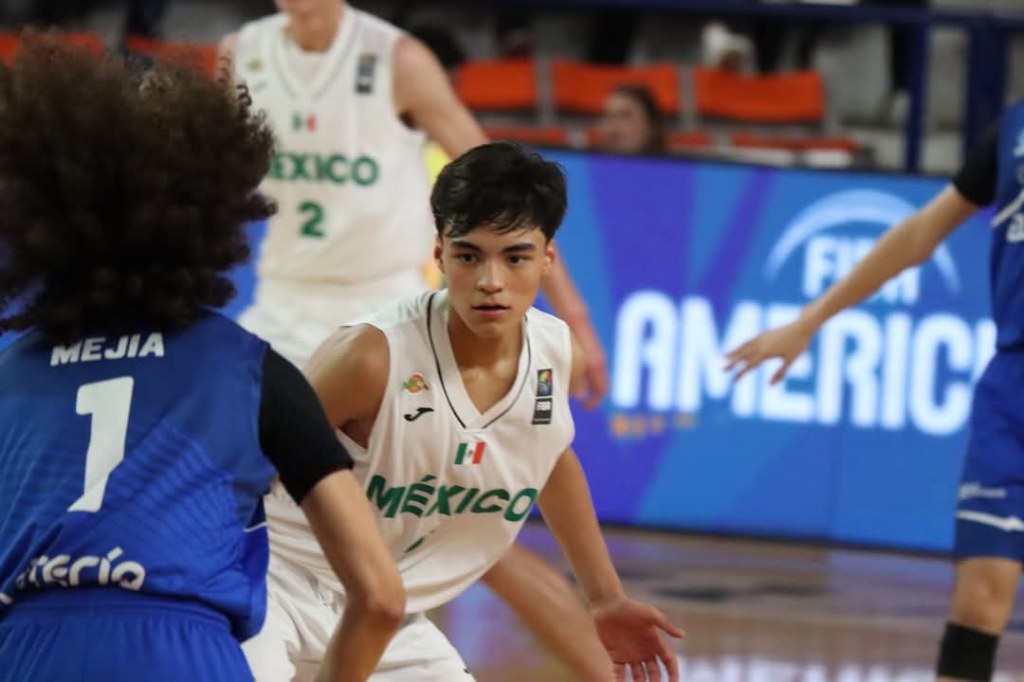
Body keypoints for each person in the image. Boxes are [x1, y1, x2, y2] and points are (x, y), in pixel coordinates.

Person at [221, 2, 615, 678]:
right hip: (280, 306)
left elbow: (491, 183)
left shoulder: (396, 59)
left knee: (472, 533)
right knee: (247, 494)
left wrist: (573, 314)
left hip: (380, 310)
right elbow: (201, 181)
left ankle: (605, 660)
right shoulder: (240, 53)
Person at [0, 36, 403, 681]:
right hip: (184, 653)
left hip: (29, 650)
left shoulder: (10, 374)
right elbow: (381, 597)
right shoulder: (252, 370)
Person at [304, 141, 684, 681]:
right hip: (281, 583)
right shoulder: (370, 359)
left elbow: (549, 458)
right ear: (439, 254)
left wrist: (604, 598)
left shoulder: (557, 358)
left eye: (515, 257)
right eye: (468, 255)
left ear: (548, 258)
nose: (490, 282)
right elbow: (245, 465)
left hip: (386, 612)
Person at [725, 109, 1020, 682]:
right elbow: (917, 234)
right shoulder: (1011, 130)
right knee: (978, 603)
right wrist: (811, 319)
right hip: (1011, 392)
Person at [593, 84, 668, 156]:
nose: (611, 129)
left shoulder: (673, 167)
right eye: (607, 117)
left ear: (652, 126)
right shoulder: (585, 164)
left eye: (624, 116)